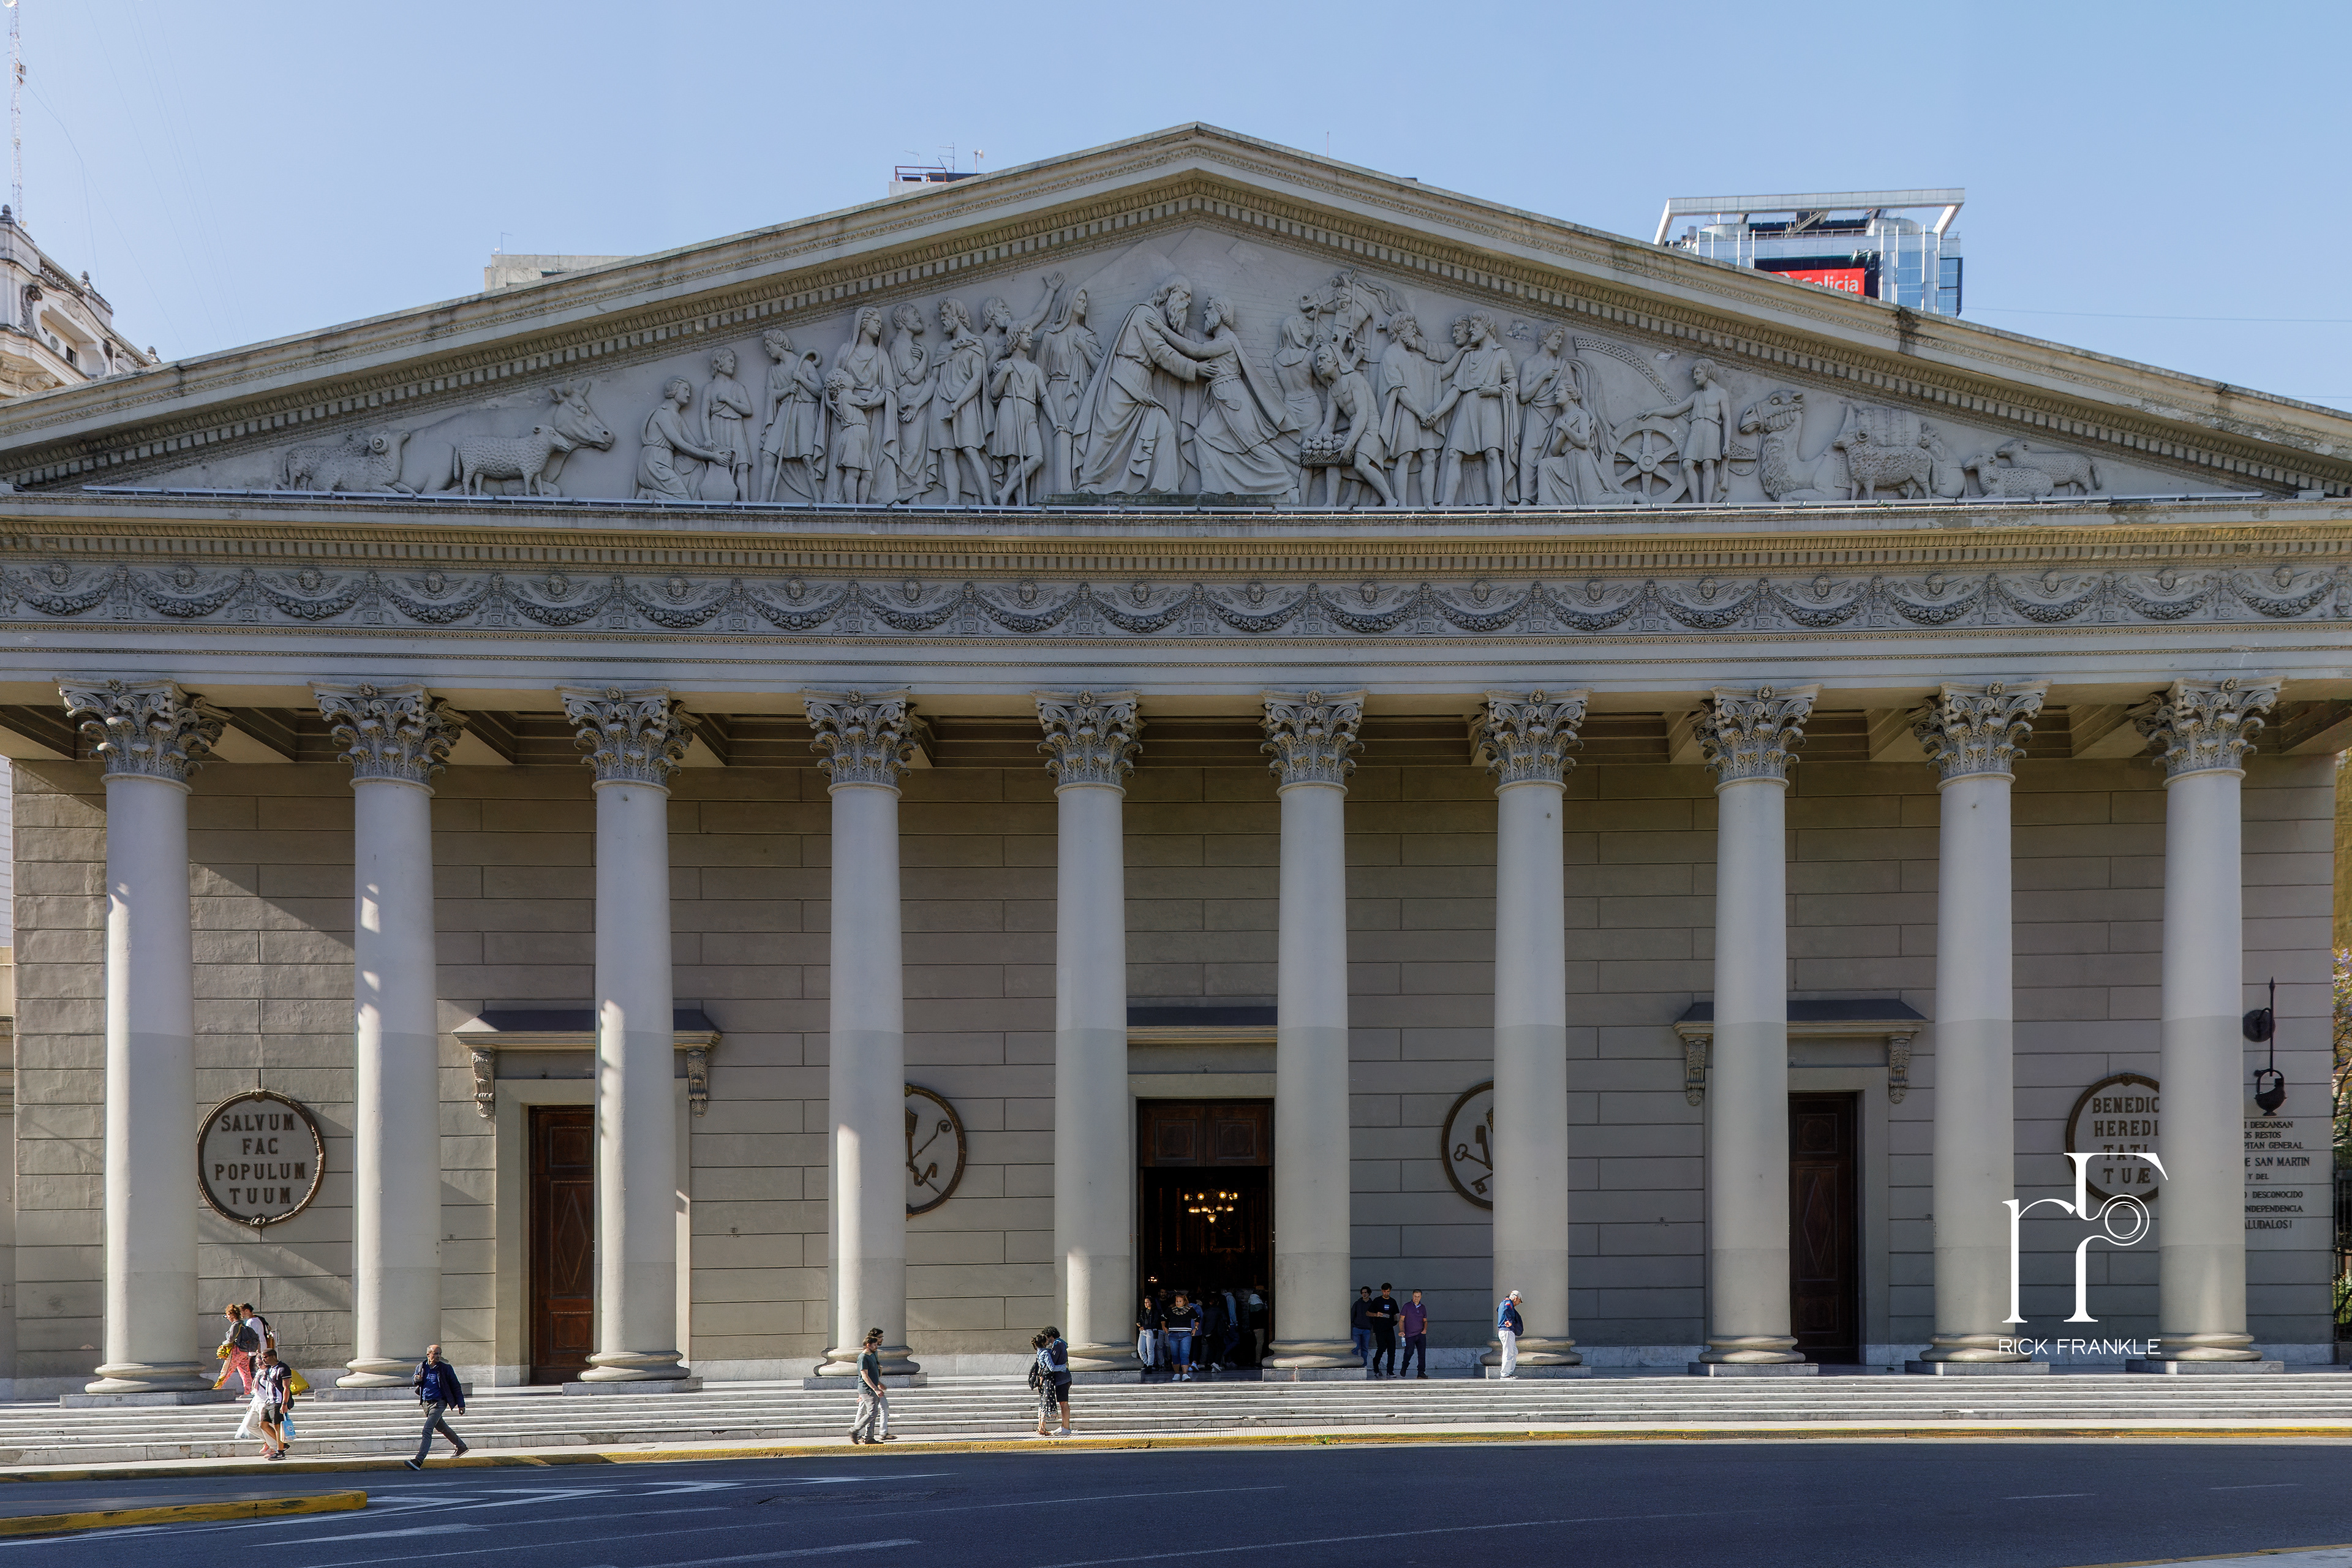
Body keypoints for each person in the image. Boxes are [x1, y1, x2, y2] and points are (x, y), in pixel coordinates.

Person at [406, 1342, 469, 1469]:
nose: (438, 1356)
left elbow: (456, 1387)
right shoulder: (421, 1367)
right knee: (442, 1428)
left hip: (439, 1403)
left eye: (440, 1354)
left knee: (427, 1430)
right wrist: (416, 1380)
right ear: (428, 1355)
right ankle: (461, 1447)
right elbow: (414, 1380)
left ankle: (419, 1460)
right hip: (425, 1403)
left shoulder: (446, 1369)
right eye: (435, 1354)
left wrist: (461, 1405)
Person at [249, 1347, 293, 1460]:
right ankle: (282, 1445)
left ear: (273, 1356)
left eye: (265, 1357)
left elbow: (286, 1387)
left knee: (278, 1426)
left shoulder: (283, 1368)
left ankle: (280, 1451)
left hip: (278, 1402)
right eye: (263, 1358)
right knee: (263, 1425)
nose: (264, 1360)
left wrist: (285, 1404)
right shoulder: (270, 1369)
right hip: (269, 1401)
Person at [850, 1327, 891, 1444]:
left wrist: (879, 1383)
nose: (877, 1345)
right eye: (875, 1344)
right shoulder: (863, 1357)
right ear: (869, 1345)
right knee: (871, 1412)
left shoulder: (872, 1355)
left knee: (873, 1412)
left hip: (873, 1387)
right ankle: (855, 1431)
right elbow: (864, 1375)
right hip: (868, 1389)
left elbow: (873, 1373)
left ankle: (869, 1437)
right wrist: (875, 1388)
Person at [1030, 1325, 1072, 1438]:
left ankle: (1066, 1428)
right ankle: (1064, 1426)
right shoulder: (1057, 1345)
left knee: (1064, 1403)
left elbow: (1052, 1363)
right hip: (1062, 1378)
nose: (1047, 1340)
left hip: (1062, 1379)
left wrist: (1062, 1367)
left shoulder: (1057, 1344)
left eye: (1047, 1337)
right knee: (1062, 1403)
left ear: (1051, 1336)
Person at [216, 1303, 259, 1393]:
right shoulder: (243, 1325)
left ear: (232, 1315)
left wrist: (224, 1344)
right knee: (245, 1372)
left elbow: (231, 1339)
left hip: (236, 1352)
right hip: (244, 1351)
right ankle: (249, 1391)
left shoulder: (235, 1325)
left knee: (226, 1371)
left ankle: (216, 1389)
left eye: (227, 1315)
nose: (227, 1317)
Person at [1164, 1291, 1199, 1382]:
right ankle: (1176, 1374)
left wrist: (1195, 1328)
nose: (1178, 1303)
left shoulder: (1190, 1309)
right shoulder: (1171, 1309)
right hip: (1173, 1334)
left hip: (1186, 1334)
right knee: (1175, 1354)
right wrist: (1164, 1327)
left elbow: (1197, 1318)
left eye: (1180, 1301)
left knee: (1185, 1353)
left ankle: (1185, 1374)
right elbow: (1163, 1318)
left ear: (1184, 1302)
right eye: (1177, 1301)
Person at [1368, 1283, 1401, 1378]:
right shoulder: (1377, 1301)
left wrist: (1396, 1321)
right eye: (1384, 1291)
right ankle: (1376, 1365)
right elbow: (1368, 1313)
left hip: (1389, 1329)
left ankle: (1390, 1371)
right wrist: (1377, 1315)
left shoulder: (1392, 1302)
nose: (1386, 1293)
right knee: (1382, 1348)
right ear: (1382, 1291)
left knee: (1392, 1350)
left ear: (1390, 1291)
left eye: (1388, 1291)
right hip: (1379, 1329)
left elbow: (1396, 1314)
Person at [1400, 1289, 1430, 1379]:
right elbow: (1401, 1320)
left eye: (1418, 1297)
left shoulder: (1423, 1308)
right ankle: (1404, 1366)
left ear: (1421, 1297)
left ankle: (1421, 1372)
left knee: (1422, 1353)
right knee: (1409, 1352)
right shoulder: (1407, 1306)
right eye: (1415, 1296)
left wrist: (1425, 1329)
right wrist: (1402, 1330)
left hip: (1420, 1334)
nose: (1416, 1298)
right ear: (1412, 1296)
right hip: (1409, 1334)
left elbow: (1425, 1321)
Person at [1496, 1289, 1525, 1379]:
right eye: (1519, 1301)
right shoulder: (1508, 1304)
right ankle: (1505, 1374)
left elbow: (1498, 1310)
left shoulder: (1505, 1303)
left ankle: (1509, 1372)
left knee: (1513, 1352)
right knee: (1508, 1353)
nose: (1519, 1303)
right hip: (1507, 1331)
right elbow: (1505, 1310)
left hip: (1506, 1331)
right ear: (1516, 1298)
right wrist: (1509, 1321)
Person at [1135, 1289, 1163, 1376]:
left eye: (1148, 1302)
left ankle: (1150, 1365)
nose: (1146, 1304)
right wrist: (1139, 1323)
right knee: (1141, 1349)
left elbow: (1155, 1323)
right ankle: (1146, 1363)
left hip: (1151, 1331)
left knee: (1150, 1349)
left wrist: (1146, 1327)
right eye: (1145, 1302)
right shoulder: (1143, 1312)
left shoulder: (1155, 1312)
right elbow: (1141, 1320)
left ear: (1151, 1303)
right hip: (1143, 1331)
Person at [1351, 1286, 1374, 1373]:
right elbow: (1352, 1314)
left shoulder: (1372, 1304)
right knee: (1355, 1348)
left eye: (1366, 1292)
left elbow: (1374, 1318)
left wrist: (1373, 1327)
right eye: (1363, 1292)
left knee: (1365, 1348)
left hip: (1367, 1330)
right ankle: (1354, 1365)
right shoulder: (1357, 1303)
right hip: (1357, 1329)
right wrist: (1353, 1325)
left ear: (1369, 1293)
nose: (1364, 1294)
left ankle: (1364, 1365)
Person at [1245, 1284, 1268, 1365]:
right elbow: (1260, 1313)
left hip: (1255, 1325)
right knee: (1260, 1343)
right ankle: (1257, 1360)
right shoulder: (1256, 1300)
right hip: (1259, 1325)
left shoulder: (1252, 1299)